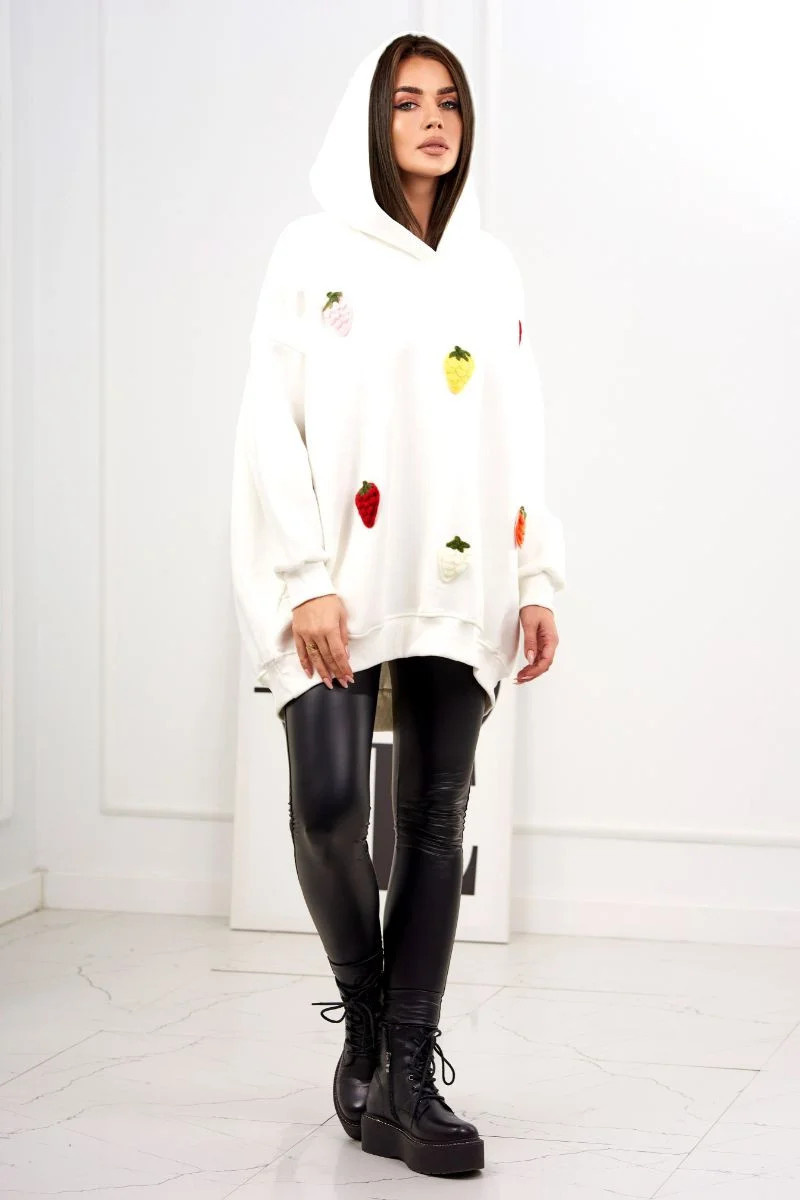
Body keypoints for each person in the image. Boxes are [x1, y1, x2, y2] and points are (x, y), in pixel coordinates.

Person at [229, 29, 566, 1177]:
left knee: (431, 818)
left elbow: (520, 427)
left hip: (459, 571)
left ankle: (406, 1083)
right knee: (327, 805)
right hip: (334, 572)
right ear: (370, 121)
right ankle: (368, 1027)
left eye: (449, 103)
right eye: (408, 101)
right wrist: (306, 577)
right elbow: (270, 418)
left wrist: (535, 574)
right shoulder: (311, 249)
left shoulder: (490, 266)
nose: (431, 120)